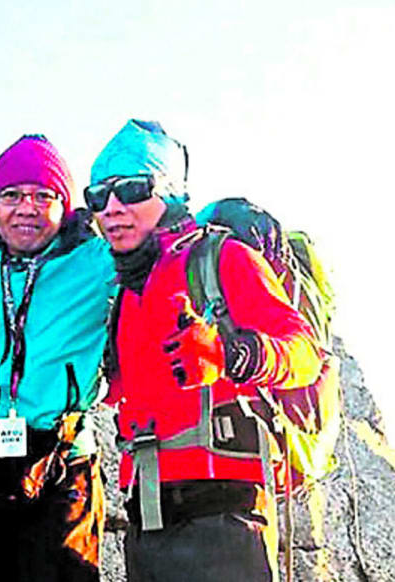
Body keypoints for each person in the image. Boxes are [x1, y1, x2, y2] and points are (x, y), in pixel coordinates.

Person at [86, 119, 322, 581]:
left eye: (132, 189)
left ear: (171, 192)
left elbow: (305, 354)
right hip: (145, 523)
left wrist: (229, 355)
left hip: (224, 521)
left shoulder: (223, 258)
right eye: (98, 196)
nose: (111, 207)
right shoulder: (125, 291)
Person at [0, 135, 116, 582]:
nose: (27, 208)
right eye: (12, 195)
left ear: (66, 206)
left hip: (61, 459)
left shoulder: (99, 262)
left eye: (44, 196)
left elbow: (158, 254)